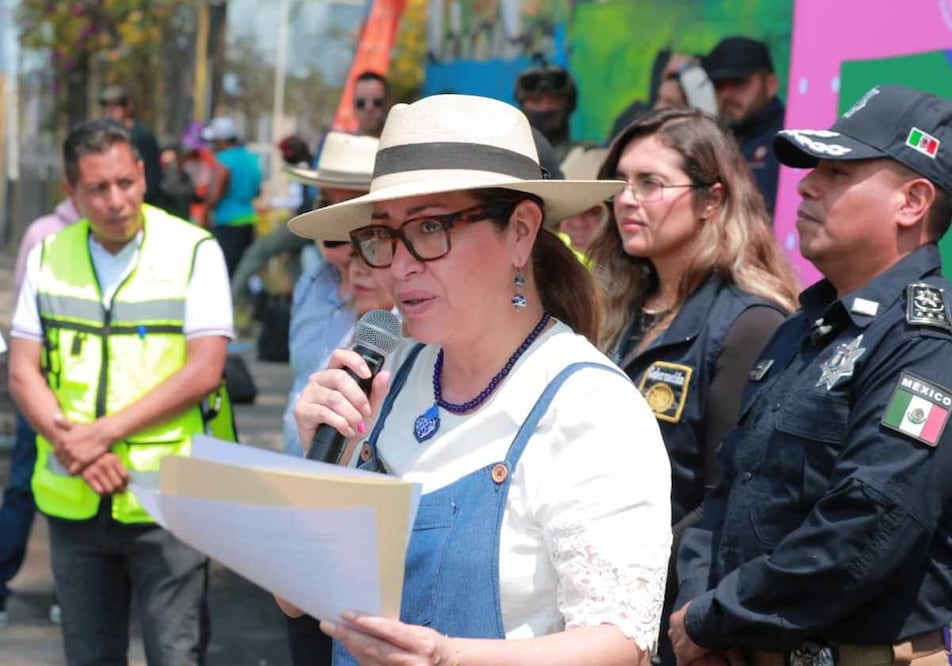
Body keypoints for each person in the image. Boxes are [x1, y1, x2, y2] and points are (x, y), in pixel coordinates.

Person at [281, 94, 672, 666]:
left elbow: (621, 645)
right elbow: (294, 600)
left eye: (431, 226)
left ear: (520, 230)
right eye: (385, 234)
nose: (399, 264)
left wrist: (448, 657)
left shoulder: (591, 406)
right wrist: (317, 470)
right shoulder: (385, 375)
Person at [670, 85, 952, 666]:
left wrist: (713, 616)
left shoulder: (925, 343)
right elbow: (726, 492)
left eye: (837, 170)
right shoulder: (806, 325)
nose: (805, 184)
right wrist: (700, 609)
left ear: (913, 201)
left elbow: (869, 525)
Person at [8, 119, 233, 665]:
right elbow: (22, 372)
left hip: (169, 502)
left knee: (175, 655)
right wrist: (77, 450)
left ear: (142, 173)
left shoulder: (194, 251)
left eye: (125, 183)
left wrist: (98, 437)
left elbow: (204, 370)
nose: (115, 201)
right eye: (97, 189)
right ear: (71, 193)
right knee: (88, 655)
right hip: (75, 504)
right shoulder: (47, 256)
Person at [586, 106, 800, 664]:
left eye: (650, 183)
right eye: (621, 183)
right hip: (596, 604)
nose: (627, 199)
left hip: (677, 620)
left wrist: (624, 562)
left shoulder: (752, 323)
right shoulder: (611, 309)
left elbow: (726, 498)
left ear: (711, 199)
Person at [0, 198, 82, 629]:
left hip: (101, 402)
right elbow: (23, 318)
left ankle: (70, 596)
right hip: (46, 394)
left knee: (79, 503)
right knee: (27, 488)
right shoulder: (44, 234)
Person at [702, 36, 785, 216]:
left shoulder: (790, 138)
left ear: (771, 85)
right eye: (718, 85)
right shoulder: (711, 141)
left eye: (739, 82)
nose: (727, 94)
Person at [202, 116, 263, 277]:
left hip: (227, 222)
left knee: (225, 272)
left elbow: (214, 196)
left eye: (214, 141)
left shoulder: (223, 161)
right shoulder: (252, 158)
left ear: (222, 140)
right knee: (243, 272)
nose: (212, 146)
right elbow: (257, 191)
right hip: (249, 219)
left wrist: (205, 211)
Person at [98, 84, 164, 208]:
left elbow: (152, 177)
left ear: (127, 107)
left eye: (115, 106)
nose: (109, 112)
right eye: (106, 107)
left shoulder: (142, 136)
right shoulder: (103, 135)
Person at [514, 59, 581, 164]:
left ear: (570, 105)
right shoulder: (511, 157)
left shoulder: (587, 158)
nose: (545, 108)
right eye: (536, 101)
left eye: (553, 101)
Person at [353, 70, 392, 138]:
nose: (369, 108)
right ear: (353, 105)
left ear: (387, 103)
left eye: (377, 102)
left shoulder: (398, 144)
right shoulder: (344, 146)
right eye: (361, 103)